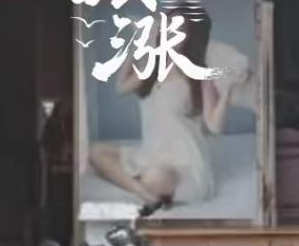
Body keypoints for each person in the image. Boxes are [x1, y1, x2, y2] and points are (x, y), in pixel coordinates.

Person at [88, 13, 251, 206]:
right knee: (94, 151)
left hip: (184, 164)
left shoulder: (198, 75)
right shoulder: (152, 69)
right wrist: (139, 46)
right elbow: (120, 87)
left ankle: (145, 185)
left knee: (153, 176)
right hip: (151, 154)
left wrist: (228, 89)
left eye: (180, 31)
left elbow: (215, 126)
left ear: (188, 38)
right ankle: (144, 193)